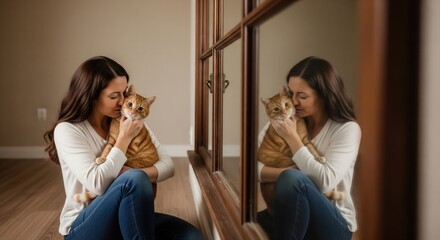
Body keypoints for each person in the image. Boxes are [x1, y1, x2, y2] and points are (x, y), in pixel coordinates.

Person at [44, 56, 202, 239]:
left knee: (191, 236)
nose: (122, 101)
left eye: (124, 93)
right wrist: (124, 139)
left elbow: (168, 166)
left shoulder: (128, 117)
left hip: (125, 214)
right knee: (133, 179)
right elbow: (98, 183)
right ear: (91, 95)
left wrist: (128, 173)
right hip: (84, 226)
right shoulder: (68, 130)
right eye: (114, 96)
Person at [257, 56, 361, 240]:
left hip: (334, 223)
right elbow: (250, 167)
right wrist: (289, 171)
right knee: (242, 226)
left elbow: (324, 181)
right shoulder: (286, 117)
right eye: (291, 93)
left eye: (302, 96)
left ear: (324, 95)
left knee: (292, 179)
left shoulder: (347, 129)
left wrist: (292, 138)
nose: (294, 101)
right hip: (289, 209)